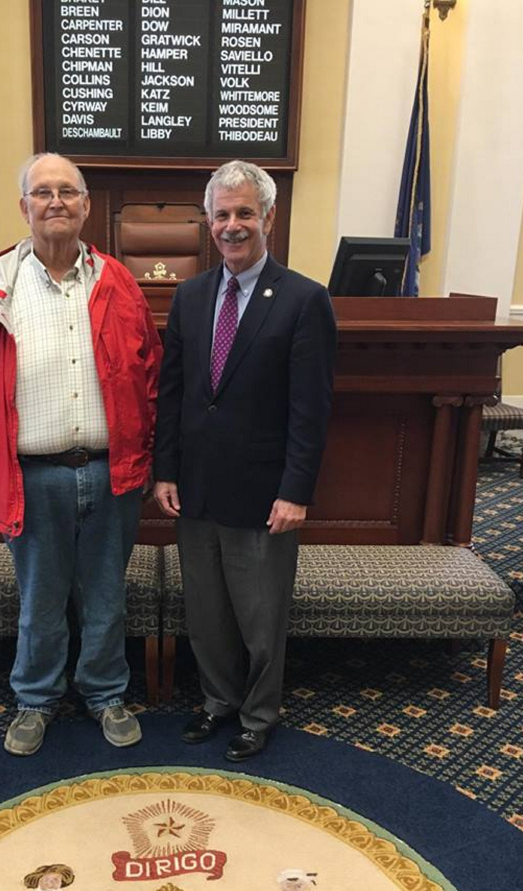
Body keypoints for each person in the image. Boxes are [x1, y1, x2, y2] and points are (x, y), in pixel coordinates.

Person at [0, 153, 162, 756]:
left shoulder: (116, 281)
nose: (57, 201)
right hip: (31, 477)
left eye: (69, 191)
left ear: (87, 205)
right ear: (25, 207)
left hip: (107, 469)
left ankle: (105, 693)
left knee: (106, 597)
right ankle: (35, 700)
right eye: (44, 192)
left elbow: (148, 376)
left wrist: (144, 460)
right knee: (40, 600)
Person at [153, 159, 337, 762]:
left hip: (264, 494)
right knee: (206, 612)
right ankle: (217, 701)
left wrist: (297, 490)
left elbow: (310, 410)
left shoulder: (304, 299)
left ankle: (258, 714)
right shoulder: (190, 296)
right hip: (196, 490)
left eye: (245, 214)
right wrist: (166, 470)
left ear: (269, 220)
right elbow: (175, 392)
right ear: (209, 222)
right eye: (222, 214)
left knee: (260, 617)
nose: (233, 226)